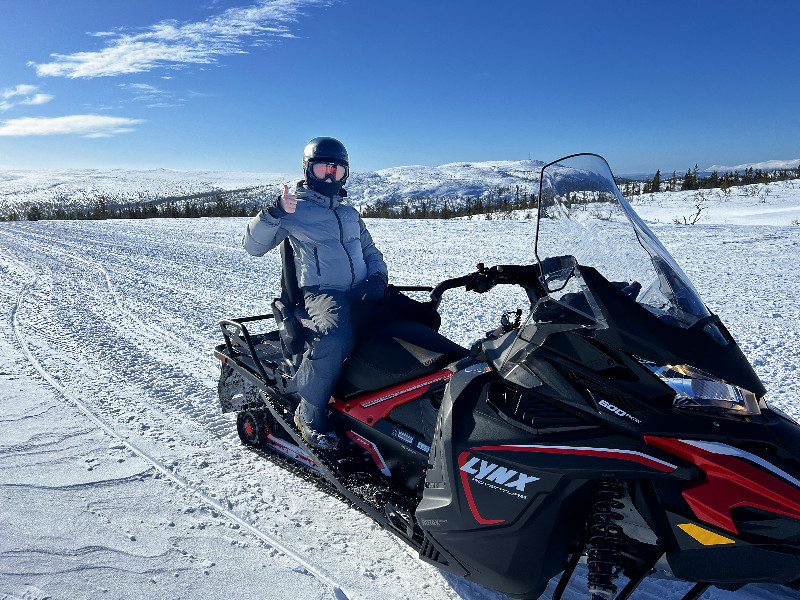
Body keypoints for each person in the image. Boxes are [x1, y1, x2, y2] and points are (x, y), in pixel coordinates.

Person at [242, 137, 388, 450]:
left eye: (336, 171)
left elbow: (369, 250)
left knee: (417, 317)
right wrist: (274, 213)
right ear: (308, 171)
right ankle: (308, 414)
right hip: (322, 293)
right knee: (335, 339)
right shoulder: (295, 210)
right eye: (323, 170)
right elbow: (253, 247)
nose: (330, 177)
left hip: (361, 288)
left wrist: (377, 277)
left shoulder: (349, 214)